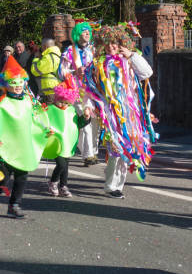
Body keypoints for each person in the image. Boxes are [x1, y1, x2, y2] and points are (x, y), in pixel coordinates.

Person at [86, 24, 155, 199]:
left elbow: (147, 73)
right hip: (110, 114)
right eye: (107, 43)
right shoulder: (97, 64)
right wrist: (89, 106)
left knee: (127, 150)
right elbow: (89, 88)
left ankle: (118, 185)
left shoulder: (130, 61)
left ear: (121, 43)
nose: (111, 47)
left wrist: (131, 55)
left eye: (114, 43)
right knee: (116, 149)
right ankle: (111, 186)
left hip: (130, 114)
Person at [0, 55, 51, 218]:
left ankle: (14, 204)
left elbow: (36, 120)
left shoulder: (28, 101)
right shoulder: (1, 104)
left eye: (20, 82)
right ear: (5, 85)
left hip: (22, 147)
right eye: (13, 82)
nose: (18, 86)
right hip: (3, 148)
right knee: (3, 179)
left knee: (22, 176)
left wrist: (45, 130)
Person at [59, 21, 99, 167]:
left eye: (88, 31)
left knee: (95, 122)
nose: (87, 33)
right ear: (77, 34)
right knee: (85, 119)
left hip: (95, 91)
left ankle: (92, 151)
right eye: (84, 31)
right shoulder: (70, 51)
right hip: (78, 91)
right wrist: (75, 72)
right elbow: (61, 72)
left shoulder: (95, 50)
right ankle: (88, 155)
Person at [46, 79, 91, 197]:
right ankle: (53, 182)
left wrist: (86, 118)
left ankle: (63, 186)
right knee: (61, 164)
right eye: (61, 101)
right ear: (56, 98)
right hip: (55, 143)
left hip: (68, 142)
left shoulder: (71, 110)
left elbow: (78, 123)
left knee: (65, 165)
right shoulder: (50, 109)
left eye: (66, 102)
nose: (63, 105)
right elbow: (42, 122)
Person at [31, 38, 61, 102]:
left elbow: (35, 71)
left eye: (41, 46)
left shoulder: (48, 57)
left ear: (45, 46)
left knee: (50, 110)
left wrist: (36, 58)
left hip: (50, 91)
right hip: (55, 88)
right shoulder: (57, 55)